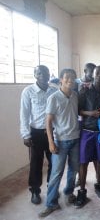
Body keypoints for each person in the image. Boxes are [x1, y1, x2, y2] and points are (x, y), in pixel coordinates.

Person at [39, 69, 80, 218]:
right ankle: (51, 203)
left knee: (73, 169)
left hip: (75, 139)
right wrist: (51, 142)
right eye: (67, 77)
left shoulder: (75, 95)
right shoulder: (54, 98)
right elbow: (48, 122)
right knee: (56, 173)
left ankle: (69, 193)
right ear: (61, 80)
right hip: (60, 141)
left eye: (73, 77)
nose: (71, 80)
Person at [74, 66, 100, 208]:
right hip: (87, 130)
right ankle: (82, 191)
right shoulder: (85, 91)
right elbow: (78, 110)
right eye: (97, 73)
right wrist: (91, 113)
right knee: (83, 162)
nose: (99, 75)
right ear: (93, 74)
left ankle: (98, 185)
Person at [20, 65, 57, 205]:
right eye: (40, 73)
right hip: (35, 133)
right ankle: (35, 191)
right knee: (36, 163)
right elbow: (24, 114)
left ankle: (51, 188)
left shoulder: (53, 90)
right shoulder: (28, 92)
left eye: (46, 73)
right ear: (35, 75)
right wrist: (25, 134)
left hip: (51, 133)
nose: (44, 76)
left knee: (54, 161)